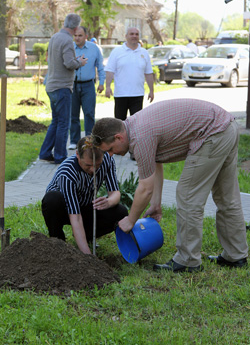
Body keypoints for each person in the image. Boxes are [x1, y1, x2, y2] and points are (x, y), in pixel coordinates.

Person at [92, 99, 248, 272]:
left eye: (111, 149)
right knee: (227, 197)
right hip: (226, 126)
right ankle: (236, 255)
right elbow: (155, 166)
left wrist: (130, 220)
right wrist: (156, 205)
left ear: (118, 137)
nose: (113, 155)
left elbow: (145, 188)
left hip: (212, 133)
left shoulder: (140, 137)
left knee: (188, 196)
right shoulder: (135, 126)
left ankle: (188, 260)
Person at [41, 136, 128, 254]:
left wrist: (109, 202)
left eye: (97, 165)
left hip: (85, 206)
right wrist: (88, 257)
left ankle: (85, 236)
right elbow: (75, 216)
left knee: (120, 212)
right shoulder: (67, 172)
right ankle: (58, 243)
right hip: (63, 208)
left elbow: (115, 193)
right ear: (77, 155)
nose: (93, 169)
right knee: (52, 199)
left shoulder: (107, 159)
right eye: (88, 165)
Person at [39, 13, 88, 164]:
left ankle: (45, 152)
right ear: (76, 27)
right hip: (62, 87)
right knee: (63, 123)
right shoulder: (67, 40)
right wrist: (80, 62)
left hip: (51, 85)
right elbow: (68, 63)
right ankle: (60, 156)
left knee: (56, 121)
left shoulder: (55, 37)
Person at [104, 27, 154, 121]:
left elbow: (148, 73)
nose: (134, 36)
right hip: (121, 94)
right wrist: (107, 87)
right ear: (126, 36)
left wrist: (151, 90)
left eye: (136, 34)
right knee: (120, 124)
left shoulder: (144, 53)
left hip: (137, 94)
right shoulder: (117, 52)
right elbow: (110, 70)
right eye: (131, 34)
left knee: (136, 123)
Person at [68, 26, 105, 150]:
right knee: (73, 114)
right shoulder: (69, 48)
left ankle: (90, 140)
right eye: (75, 35)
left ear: (86, 36)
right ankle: (74, 140)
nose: (77, 38)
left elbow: (100, 66)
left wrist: (101, 82)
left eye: (80, 35)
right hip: (72, 85)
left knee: (89, 113)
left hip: (88, 84)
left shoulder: (94, 49)